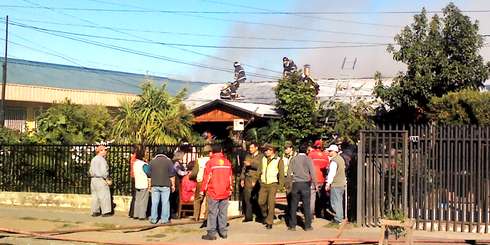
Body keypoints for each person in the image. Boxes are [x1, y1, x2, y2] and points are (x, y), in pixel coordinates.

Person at [200, 144, 233, 240]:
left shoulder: (210, 163)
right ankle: (223, 232)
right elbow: (230, 177)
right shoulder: (227, 162)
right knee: (223, 212)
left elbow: (206, 178)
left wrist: (202, 190)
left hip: (213, 191)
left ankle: (211, 233)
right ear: (221, 150)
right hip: (225, 192)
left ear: (212, 151)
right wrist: (230, 189)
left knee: (212, 212)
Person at [286, 144, 317, 231]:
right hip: (305, 184)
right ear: (306, 151)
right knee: (306, 205)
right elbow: (313, 173)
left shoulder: (294, 159)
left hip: (295, 184)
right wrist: (315, 184)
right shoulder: (308, 159)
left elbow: (289, 173)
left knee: (293, 205)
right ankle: (307, 226)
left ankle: (292, 226)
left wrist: (288, 184)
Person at [258, 143, 284, 229]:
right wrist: (258, 179)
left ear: (272, 151)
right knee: (261, 202)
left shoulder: (278, 160)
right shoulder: (263, 159)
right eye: (265, 150)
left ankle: (270, 222)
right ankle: (265, 215)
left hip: (273, 183)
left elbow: (281, 174)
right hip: (264, 183)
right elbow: (259, 170)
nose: (266, 152)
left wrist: (280, 186)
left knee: (271, 203)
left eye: (268, 150)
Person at [149, 147, 176, 224]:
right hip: (166, 184)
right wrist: (173, 185)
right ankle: (164, 219)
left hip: (154, 184)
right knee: (165, 202)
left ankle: (153, 219)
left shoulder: (152, 161)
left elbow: (149, 174)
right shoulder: (169, 162)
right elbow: (172, 174)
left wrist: (149, 185)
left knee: (154, 202)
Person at [240, 142, 263, 223]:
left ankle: (260, 215)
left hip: (257, 179)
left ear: (256, 148)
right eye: (249, 148)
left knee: (259, 198)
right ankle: (248, 216)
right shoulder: (248, 156)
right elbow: (244, 168)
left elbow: (261, 166)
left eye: (252, 148)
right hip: (248, 178)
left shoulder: (261, 156)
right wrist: (242, 178)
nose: (250, 149)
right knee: (247, 198)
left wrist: (251, 164)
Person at [325, 144, 346, 225]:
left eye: (330, 151)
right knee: (339, 201)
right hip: (342, 183)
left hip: (336, 184)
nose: (329, 152)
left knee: (334, 202)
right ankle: (340, 216)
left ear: (334, 151)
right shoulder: (341, 159)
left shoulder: (334, 161)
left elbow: (332, 173)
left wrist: (328, 183)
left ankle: (338, 218)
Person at [189, 145, 212, 221]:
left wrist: (191, 177)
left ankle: (196, 216)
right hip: (210, 182)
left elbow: (195, 172)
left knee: (198, 199)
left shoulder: (199, 160)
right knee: (208, 201)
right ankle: (206, 217)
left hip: (200, 181)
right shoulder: (212, 160)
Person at [308, 139, 329, 219]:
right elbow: (327, 167)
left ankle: (310, 215)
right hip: (322, 179)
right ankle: (320, 213)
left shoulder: (311, 154)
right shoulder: (325, 155)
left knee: (312, 197)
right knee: (321, 197)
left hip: (313, 179)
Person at [89, 145, 112, 217]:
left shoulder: (94, 159)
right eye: (105, 150)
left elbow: (90, 170)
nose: (106, 152)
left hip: (93, 179)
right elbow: (103, 172)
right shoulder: (102, 160)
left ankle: (95, 211)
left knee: (95, 196)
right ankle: (105, 212)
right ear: (100, 151)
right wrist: (107, 179)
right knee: (104, 195)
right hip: (100, 179)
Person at [133, 148, 150, 220]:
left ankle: (136, 214)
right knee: (143, 200)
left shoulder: (135, 163)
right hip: (144, 183)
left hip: (137, 182)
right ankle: (142, 215)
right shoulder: (144, 164)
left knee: (137, 199)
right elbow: (149, 172)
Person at [128, 145, 138, 218]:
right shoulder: (136, 158)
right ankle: (134, 212)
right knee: (136, 196)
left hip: (133, 177)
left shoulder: (132, 158)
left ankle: (132, 212)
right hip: (136, 177)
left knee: (134, 196)